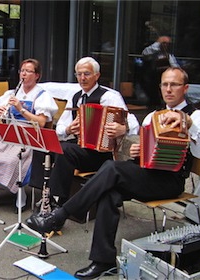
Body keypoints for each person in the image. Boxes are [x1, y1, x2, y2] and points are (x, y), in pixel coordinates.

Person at [27, 67, 200, 279]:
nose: (169, 89)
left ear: (185, 88)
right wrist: (140, 151)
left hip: (170, 181)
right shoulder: (152, 116)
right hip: (146, 175)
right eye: (165, 84)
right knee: (110, 192)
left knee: (112, 168)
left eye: (174, 84)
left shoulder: (196, 116)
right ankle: (103, 261)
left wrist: (189, 125)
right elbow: (148, 152)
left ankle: (59, 215)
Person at [44, 57, 139, 206]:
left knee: (65, 150)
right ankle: (49, 198)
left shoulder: (109, 97)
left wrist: (123, 128)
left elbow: (132, 122)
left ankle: (57, 201)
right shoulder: (75, 97)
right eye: (79, 74)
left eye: (87, 74)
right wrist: (69, 129)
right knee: (48, 148)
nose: (82, 78)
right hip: (79, 149)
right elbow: (61, 128)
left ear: (97, 75)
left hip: (102, 154)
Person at [0, 58, 58, 212]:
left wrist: (21, 109)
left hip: (30, 137)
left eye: (28, 71)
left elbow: (41, 123)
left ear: (37, 75)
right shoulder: (12, 93)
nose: (23, 74)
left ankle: (20, 195)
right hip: (9, 134)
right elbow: (2, 121)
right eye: (22, 70)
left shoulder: (42, 96)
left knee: (12, 160)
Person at [141, 35, 180, 107]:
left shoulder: (169, 54)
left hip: (165, 77)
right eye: (164, 43)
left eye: (168, 44)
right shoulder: (152, 52)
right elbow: (145, 53)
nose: (166, 45)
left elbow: (174, 65)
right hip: (153, 77)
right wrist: (158, 43)